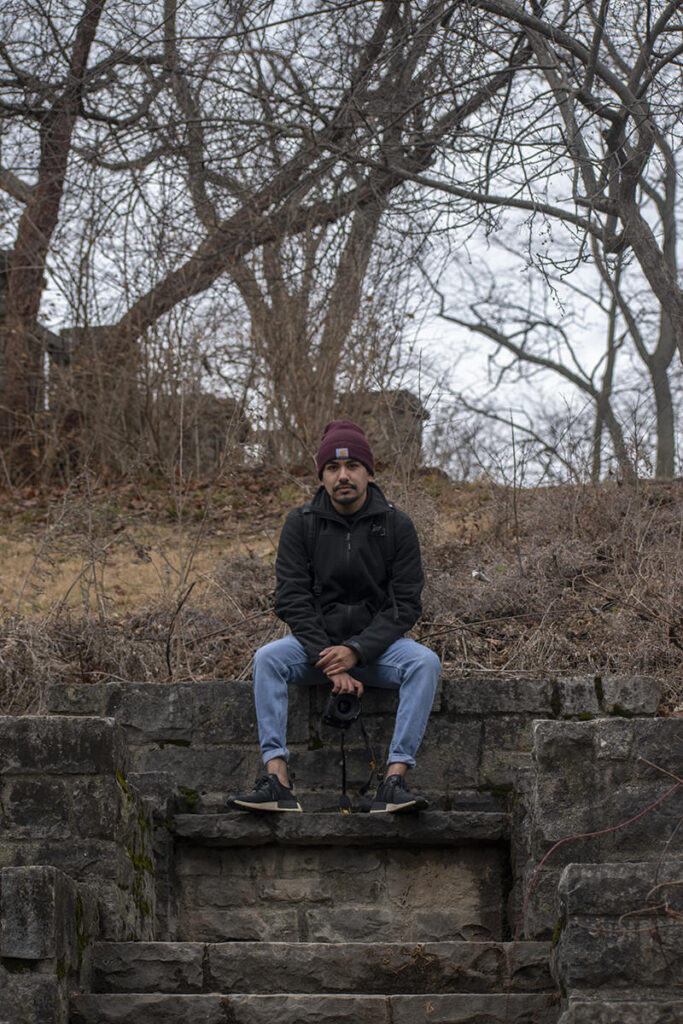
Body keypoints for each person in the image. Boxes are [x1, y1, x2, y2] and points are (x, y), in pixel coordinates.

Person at [228, 419, 440, 814]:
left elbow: (405, 604)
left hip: (377, 652)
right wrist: (329, 658)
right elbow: (291, 598)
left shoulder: (396, 526)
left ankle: (394, 780)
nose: (343, 476)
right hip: (316, 650)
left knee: (424, 663)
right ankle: (277, 781)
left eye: (352, 466)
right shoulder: (301, 524)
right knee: (268, 659)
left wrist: (356, 651)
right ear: (322, 476)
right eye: (332, 467)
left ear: (368, 472)